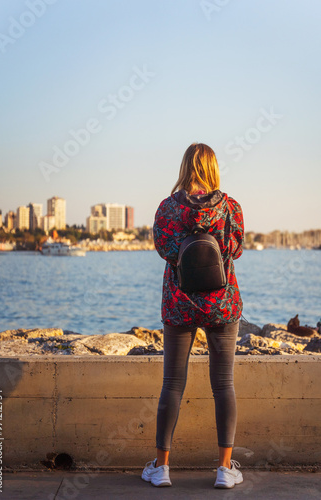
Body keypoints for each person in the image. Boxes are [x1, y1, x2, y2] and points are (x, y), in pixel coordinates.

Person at [141, 143, 244, 489]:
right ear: (214, 168)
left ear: (185, 167)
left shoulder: (167, 209)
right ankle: (225, 470)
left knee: (172, 383)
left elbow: (165, 251)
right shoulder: (231, 208)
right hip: (222, 304)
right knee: (223, 385)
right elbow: (235, 250)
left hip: (179, 302)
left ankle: (162, 467)